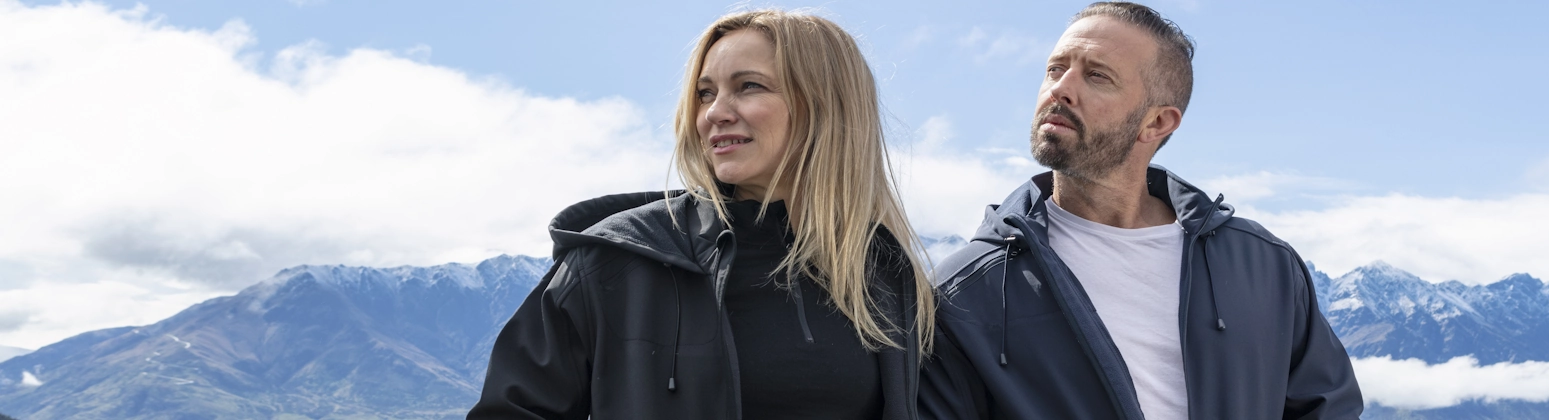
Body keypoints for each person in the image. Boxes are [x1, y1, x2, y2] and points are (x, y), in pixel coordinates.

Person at [469, 9, 934, 419]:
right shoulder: (615, 263)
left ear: (826, 104)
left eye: (748, 86)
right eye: (706, 94)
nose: (715, 113)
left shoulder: (887, 276)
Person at [918, 2, 1363, 419]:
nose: (1061, 89)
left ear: (1157, 122)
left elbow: (1327, 408)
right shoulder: (963, 292)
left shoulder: (1263, 265)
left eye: (1097, 76)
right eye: (1055, 69)